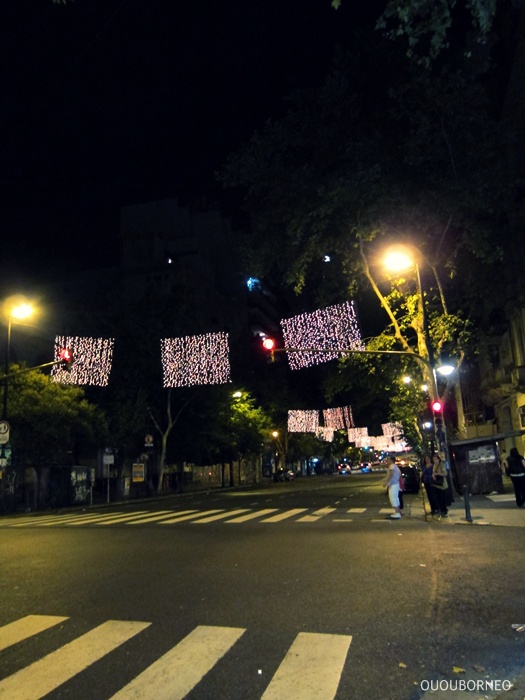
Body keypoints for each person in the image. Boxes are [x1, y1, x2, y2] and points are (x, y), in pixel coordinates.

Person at [432, 452, 448, 516]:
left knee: (442, 498)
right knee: (438, 498)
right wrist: (433, 475)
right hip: (436, 484)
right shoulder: (434, 465)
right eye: (434, 459)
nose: (435, 460)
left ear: (438, 459)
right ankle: (441, 510)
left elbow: (445, 473)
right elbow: (433, 473)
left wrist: (437, 474)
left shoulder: (441, 464)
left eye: (436, 459)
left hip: (442, 484)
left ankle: (444, 510)